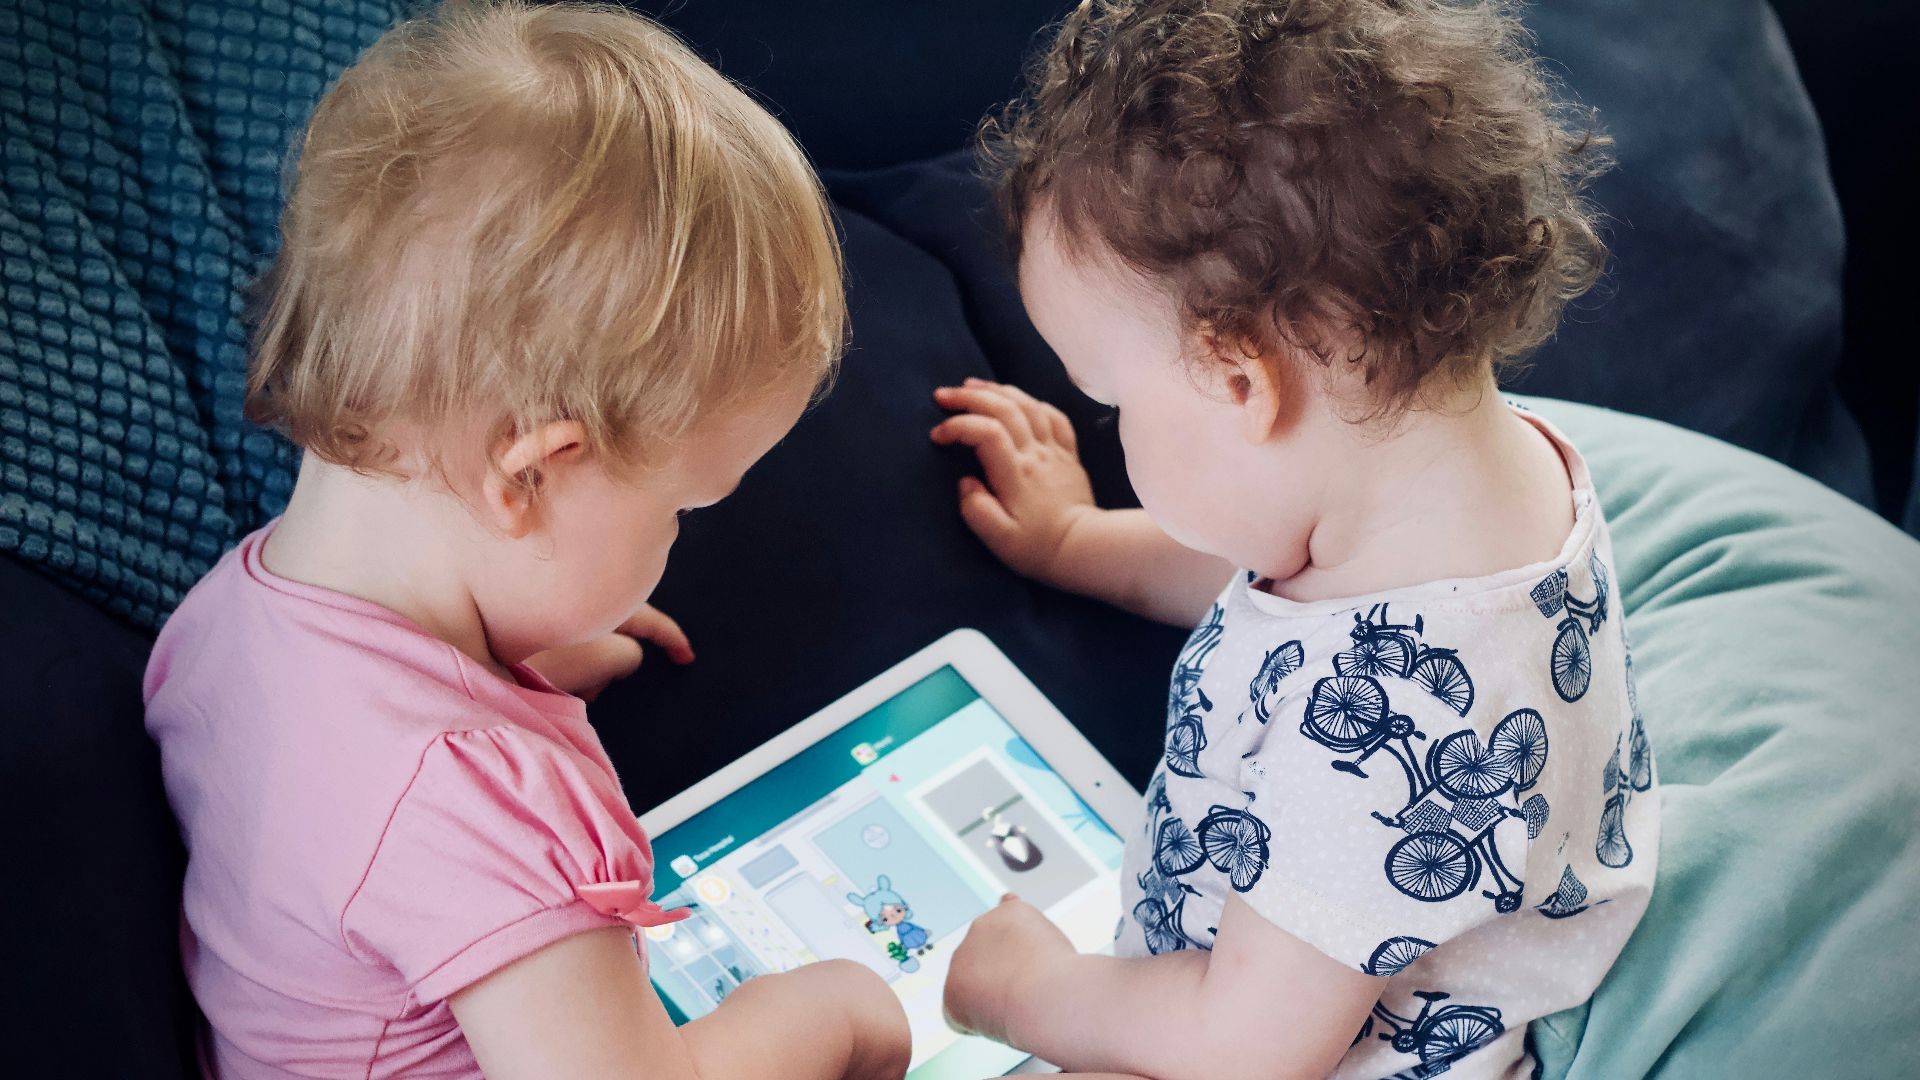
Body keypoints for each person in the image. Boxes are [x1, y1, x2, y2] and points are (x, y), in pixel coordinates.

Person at [142, 2, 908, 1076]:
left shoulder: (228, 616)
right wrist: (834, 1012)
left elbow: (353, 814)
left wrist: (512, 642)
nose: (685, 534)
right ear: (529, 477)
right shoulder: (492, 808)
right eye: (685, 505)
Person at [932, 2, 1659, 1077]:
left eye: (1110, 401)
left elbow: (1243, 1047)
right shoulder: (1455, 488)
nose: (1110, 429)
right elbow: (1277, 581)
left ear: (1241, 382)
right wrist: (1074, 540)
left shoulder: (1382, 743)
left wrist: (1024, 990)